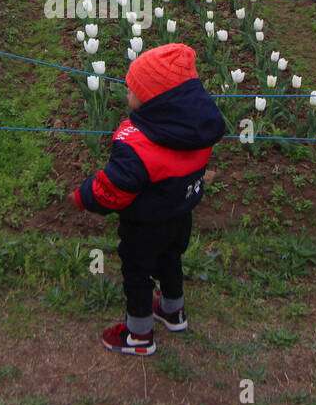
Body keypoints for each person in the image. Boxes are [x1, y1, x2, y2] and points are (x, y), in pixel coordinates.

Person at [71, 43, 226, 356]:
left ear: (155, 102)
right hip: (181, 213)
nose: (127, 95)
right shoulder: (199, 131)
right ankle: (173, 311)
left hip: (144, 223)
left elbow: (114, 189)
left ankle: (138, 335)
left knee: (137, 273)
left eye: (133, 90)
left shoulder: (137, 143)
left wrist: (84, 196)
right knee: (171, 259)